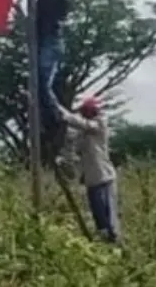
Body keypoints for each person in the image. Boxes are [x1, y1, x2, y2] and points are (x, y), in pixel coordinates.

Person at [57, 97, 120, 244]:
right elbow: (73, 144)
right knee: (99, 216)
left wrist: (63, 113)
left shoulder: (100, 124)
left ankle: (115, 243)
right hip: (92, 180)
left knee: (109, 217)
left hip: (104, 178)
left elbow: (81, 124)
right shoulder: (83, 133)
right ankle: (105, 243)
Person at [35, 0, 75, 157]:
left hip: (52, 42)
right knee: (36, 87)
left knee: (42, 82)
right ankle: (48, 125)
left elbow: (64, 1)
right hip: (39, 40)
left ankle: (59, 119)